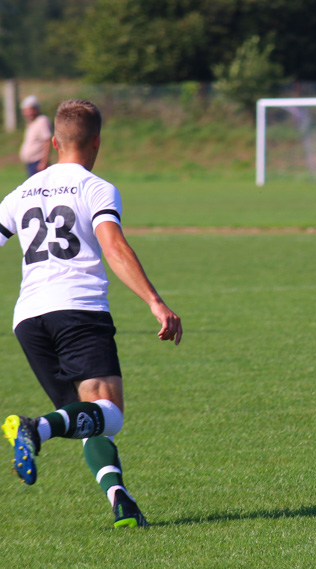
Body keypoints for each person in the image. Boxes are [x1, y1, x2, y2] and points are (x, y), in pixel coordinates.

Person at [1, 99, 183, 528]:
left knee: (87, 419)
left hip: (29, 321)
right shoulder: (94, 187)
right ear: (97, 141)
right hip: (77, 309)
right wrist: (155, 301)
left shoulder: (19, 193)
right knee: (109, 411)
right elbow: (113, 246)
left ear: (54, 142)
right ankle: (34, 428)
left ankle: (122, 501)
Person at [19, 95, 53, 177]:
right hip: (31, 163)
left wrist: (44, 161)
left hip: (38, 162)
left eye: (31, 110)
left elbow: (47, 141)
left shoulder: (42, 121)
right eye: (26, 110)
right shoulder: (31, 124)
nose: (29, 113)